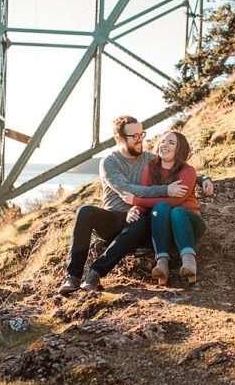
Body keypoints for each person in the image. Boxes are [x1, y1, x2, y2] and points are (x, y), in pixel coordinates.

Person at [58, 116, 213, 295]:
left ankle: (95, 274)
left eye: (142, 134)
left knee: (142, 219)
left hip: (142, 218)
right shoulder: (109, 162)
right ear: (119, 139)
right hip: (116, 218)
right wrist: (165, 190)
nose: (140, 139)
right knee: (85, 211)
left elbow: (176, 165)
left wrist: (202, 179)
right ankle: (73, 276)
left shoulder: (149, 158)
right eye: (134, 136)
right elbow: (127, 190)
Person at [119, 131, 209, 285]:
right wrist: (136, 208)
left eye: (171, 143)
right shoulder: (150, 168)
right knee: (160, 207)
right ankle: (162, 264)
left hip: (189, 226)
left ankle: (189, 262)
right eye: (163, 141)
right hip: (163, 228)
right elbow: (146, 195)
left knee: (177, 211)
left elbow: (175, 200)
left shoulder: (188, 171)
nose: (165, 145)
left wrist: (137, 200)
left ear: (179, 149)